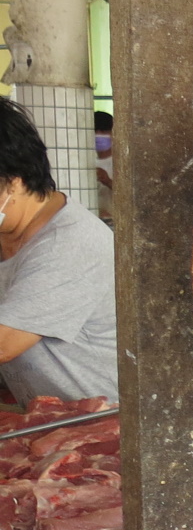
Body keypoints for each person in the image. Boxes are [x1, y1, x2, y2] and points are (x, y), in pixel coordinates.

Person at [0, 99, 119, 403]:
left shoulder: (70, 243)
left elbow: (4, 344)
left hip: (104, 422)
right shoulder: (8, 232)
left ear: (13, 182)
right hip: (43, 418)